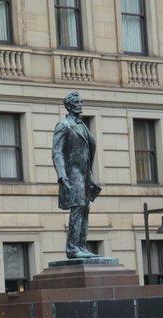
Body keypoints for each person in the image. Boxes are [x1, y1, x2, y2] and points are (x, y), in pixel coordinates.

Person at [52, 91, 101, 258]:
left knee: (85, 208)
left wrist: (91, 175)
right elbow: (57, 152)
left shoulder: (83, 126)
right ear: (70, 105)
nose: (80, 103)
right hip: (73, 173)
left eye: (81, 101)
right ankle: (73, 248)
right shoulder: (64, 125)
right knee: (78, 208)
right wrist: (61, 174)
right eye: (77, 101)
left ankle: (81, 246)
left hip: (86, 174)